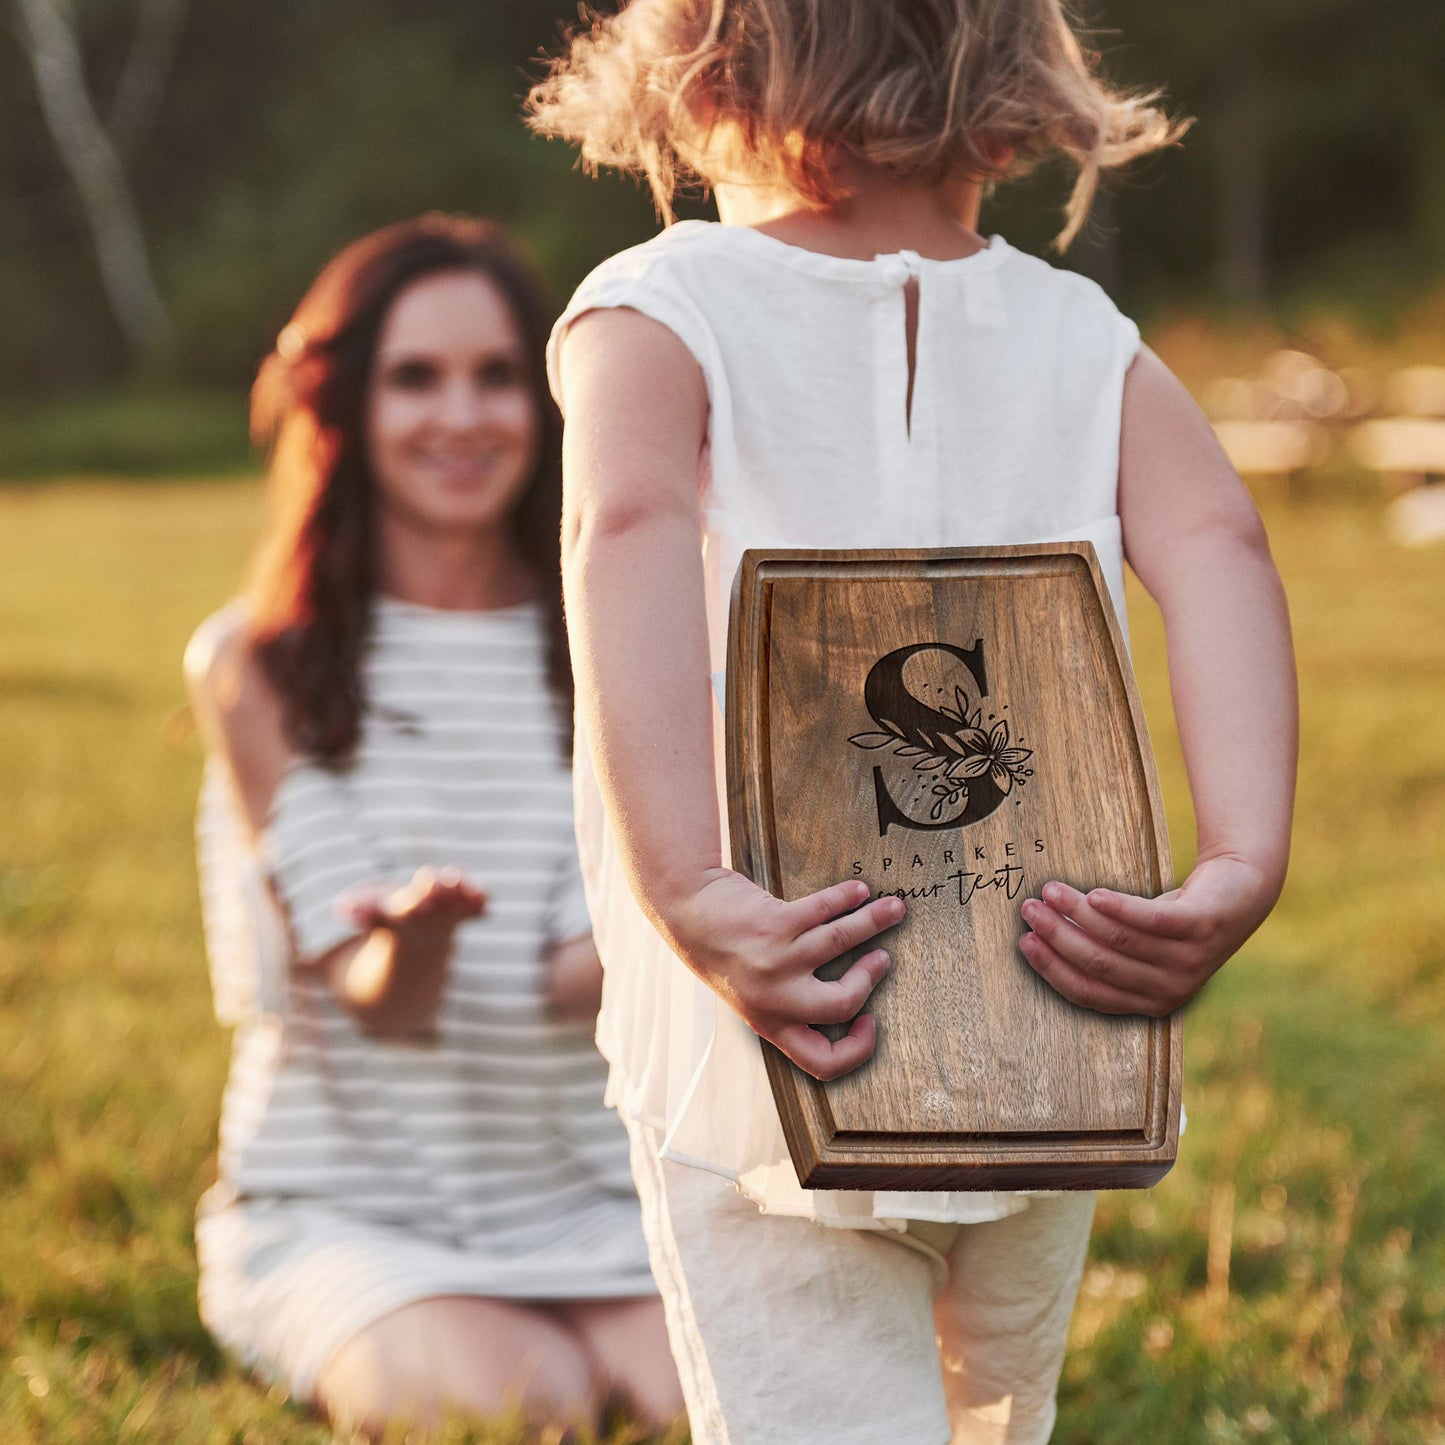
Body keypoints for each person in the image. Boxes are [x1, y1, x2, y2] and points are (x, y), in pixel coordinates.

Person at [528, 3, 1298, 1442]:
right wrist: (1237, 864)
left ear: (702, 79)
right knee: (1004, 1412)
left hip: (781, 998)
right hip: (1046, 1000)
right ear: (1017, 93)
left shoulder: (659, 306)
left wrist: (692, 887)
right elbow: (1221, 548)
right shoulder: (1081, 332)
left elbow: (620, 530)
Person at [184, 214, 683, 1437]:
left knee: (705, 1402)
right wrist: (413, 935)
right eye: (416, 377)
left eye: (496, 376)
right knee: (529, 1405)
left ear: (548, 400)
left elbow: (581, 980)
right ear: (347, 404)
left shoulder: (613, 642)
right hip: (352, 1207)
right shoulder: (257, 665)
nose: (460, 417)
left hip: (593, 1199)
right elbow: (381, 998)